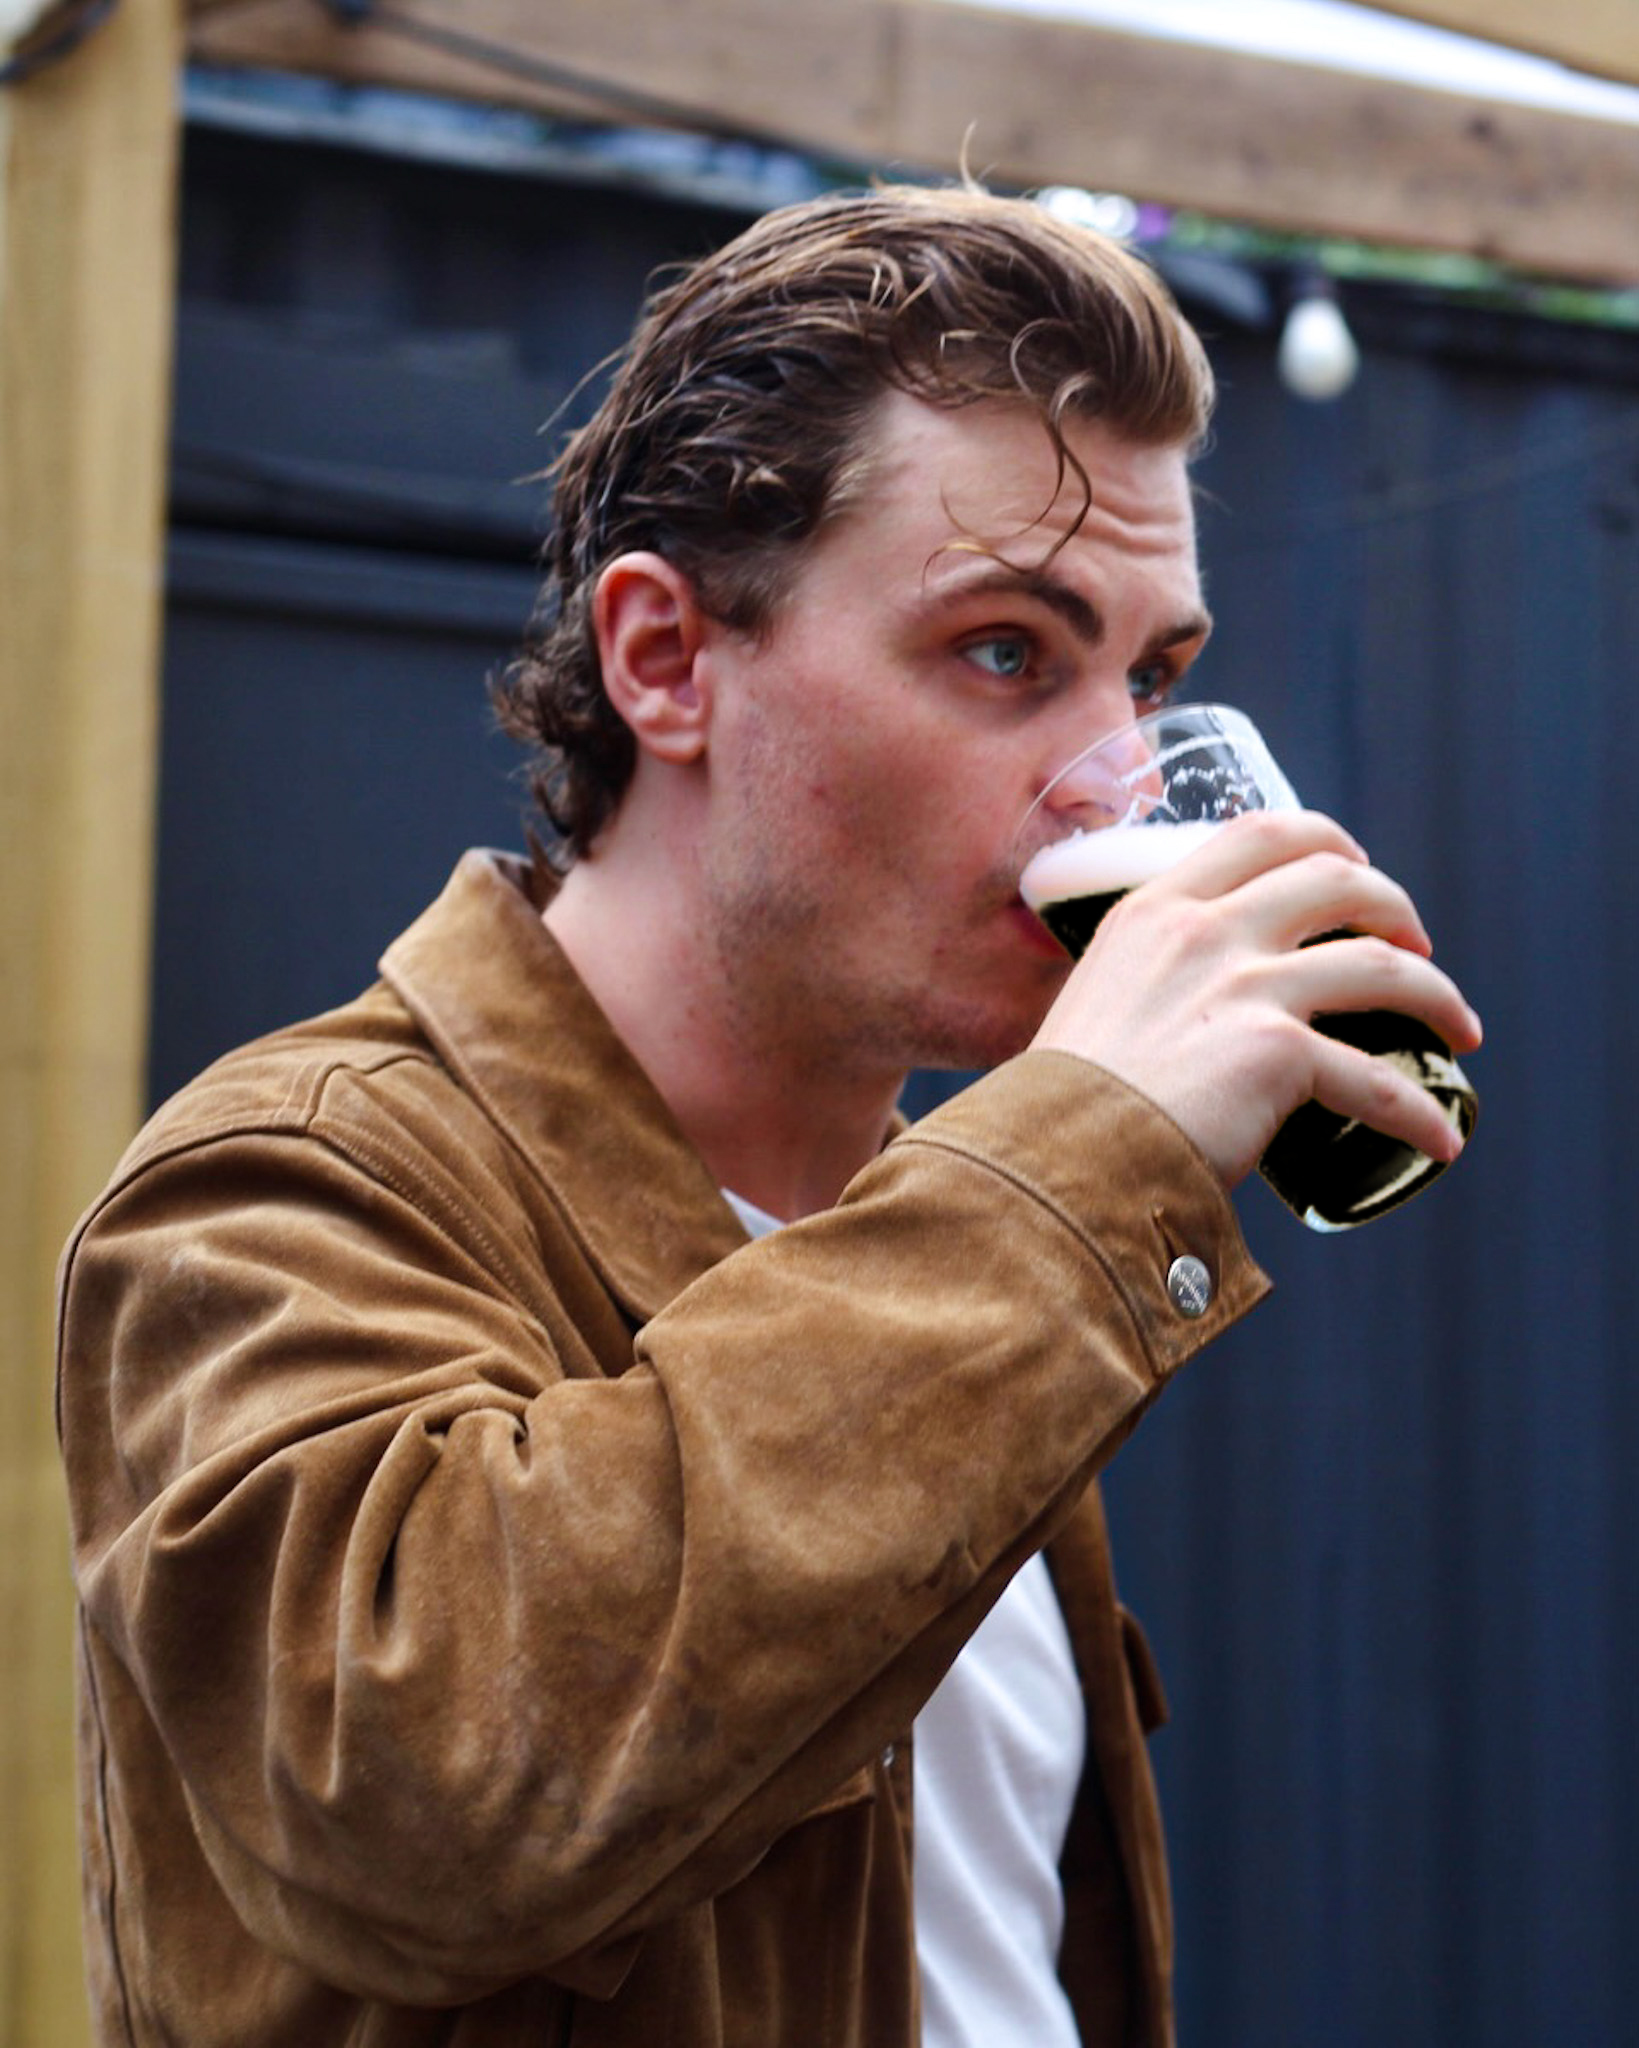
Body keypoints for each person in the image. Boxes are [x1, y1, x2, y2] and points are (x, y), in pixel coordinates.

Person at [55, 182, 1480, 2048]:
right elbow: (421, 1803)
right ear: (664, 660)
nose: (1114, 779)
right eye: (1005, 651)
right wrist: (1084, 1159)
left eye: (1149, 678)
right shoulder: (283, 1187)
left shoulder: (957, 1251)